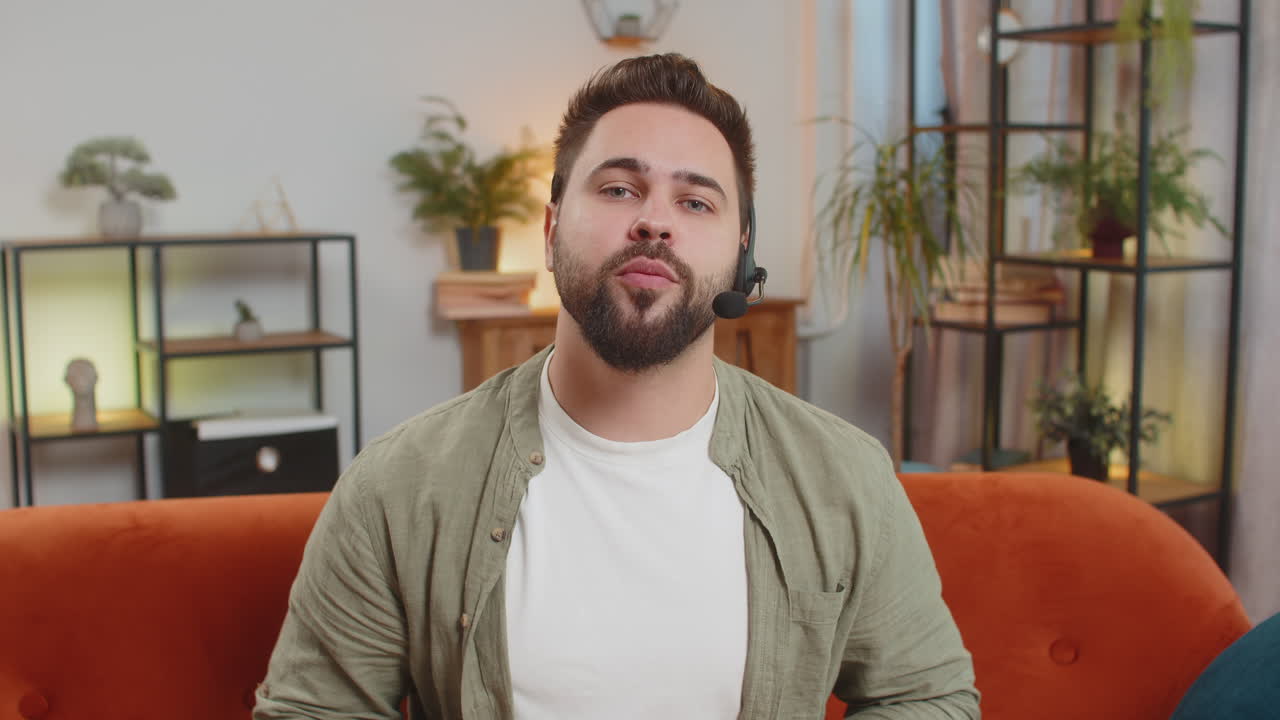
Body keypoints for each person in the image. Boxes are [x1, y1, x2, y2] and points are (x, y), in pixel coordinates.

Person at [255, 53, 978, 719]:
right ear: (550, 229)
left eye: (696, 202)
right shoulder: (398, 486)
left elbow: (929, 697)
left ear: (740, 258)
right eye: (619, 187)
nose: (654, 221)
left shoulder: (845, 478)